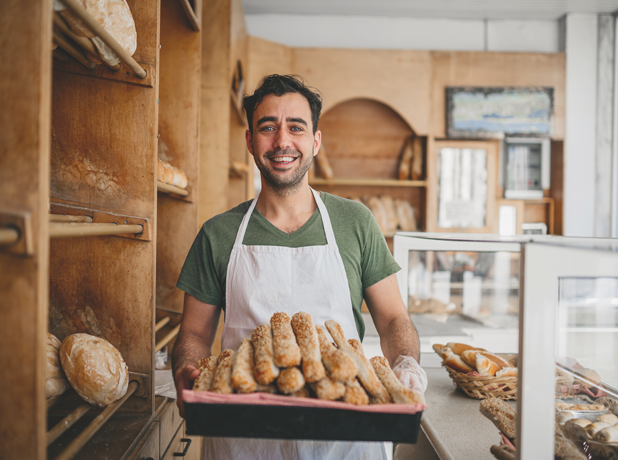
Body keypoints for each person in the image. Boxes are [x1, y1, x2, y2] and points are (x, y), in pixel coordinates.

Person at [172, 74, 426, 460]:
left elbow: (393, 319)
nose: (282, 141)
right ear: (250, 141)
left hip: (347, 440)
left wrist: (405, 363)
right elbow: (192, 332)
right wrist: (186, 369)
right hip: (244, 442)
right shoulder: (218, 234)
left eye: (296, 127)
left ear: (315, 142)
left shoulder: (355, 222)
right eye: (267, 127)